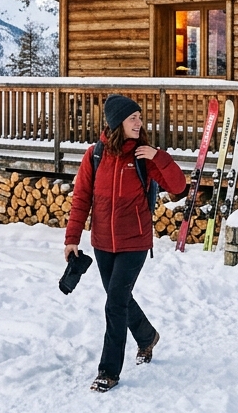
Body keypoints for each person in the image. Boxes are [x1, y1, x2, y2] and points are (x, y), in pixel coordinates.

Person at [64, 93, 187, 393]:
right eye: (133, 118)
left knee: (115, 302)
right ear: (117, 122)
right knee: (120, 299)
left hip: (135, 241)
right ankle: (147, 337)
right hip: (103, 242)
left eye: (140, 117)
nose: (139, 122)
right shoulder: (95, 155)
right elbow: (81, 198)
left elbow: (179, 186)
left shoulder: (144, 155)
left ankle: (108, 371)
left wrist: (158, 156)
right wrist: (72, 238)